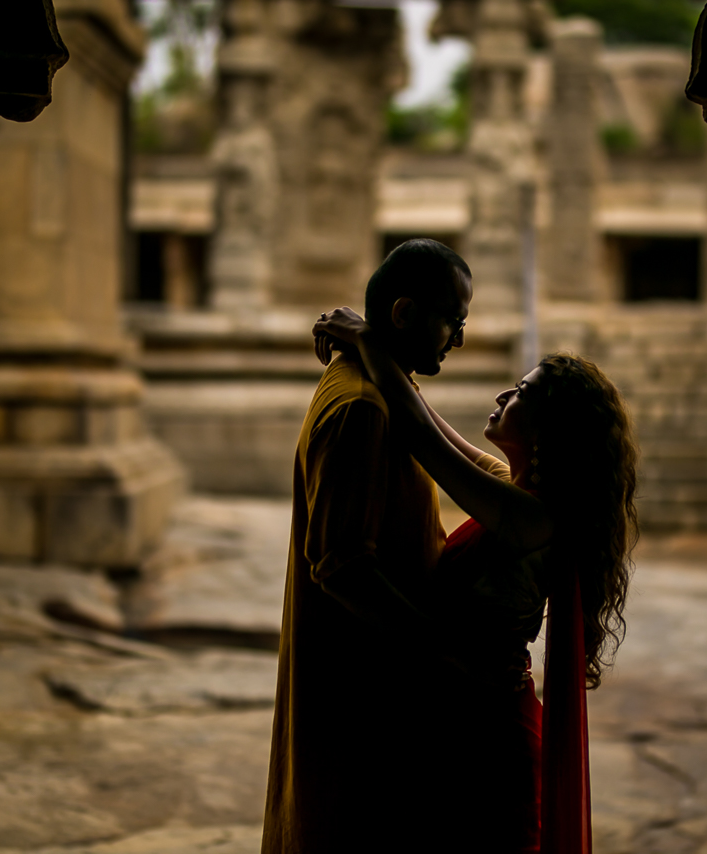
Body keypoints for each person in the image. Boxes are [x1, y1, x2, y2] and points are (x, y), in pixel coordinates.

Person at [313, 306, 640, 854]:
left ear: (548, 428)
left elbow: (419, 435)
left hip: (491, 739)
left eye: (520, 392)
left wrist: (368, 342)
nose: (501, 397)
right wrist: (383, 355)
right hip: (462, 724)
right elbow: (425, 419)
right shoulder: (510, 494)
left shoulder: (533, 518)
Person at [262, 239, 473, 854]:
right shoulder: (361, 407)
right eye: (452, 321)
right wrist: (442, 648)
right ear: (405, 315)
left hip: (371, 676)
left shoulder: (373, 384)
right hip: (361, 687)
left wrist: (370, 344)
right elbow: (343, 566)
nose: (458, 339)